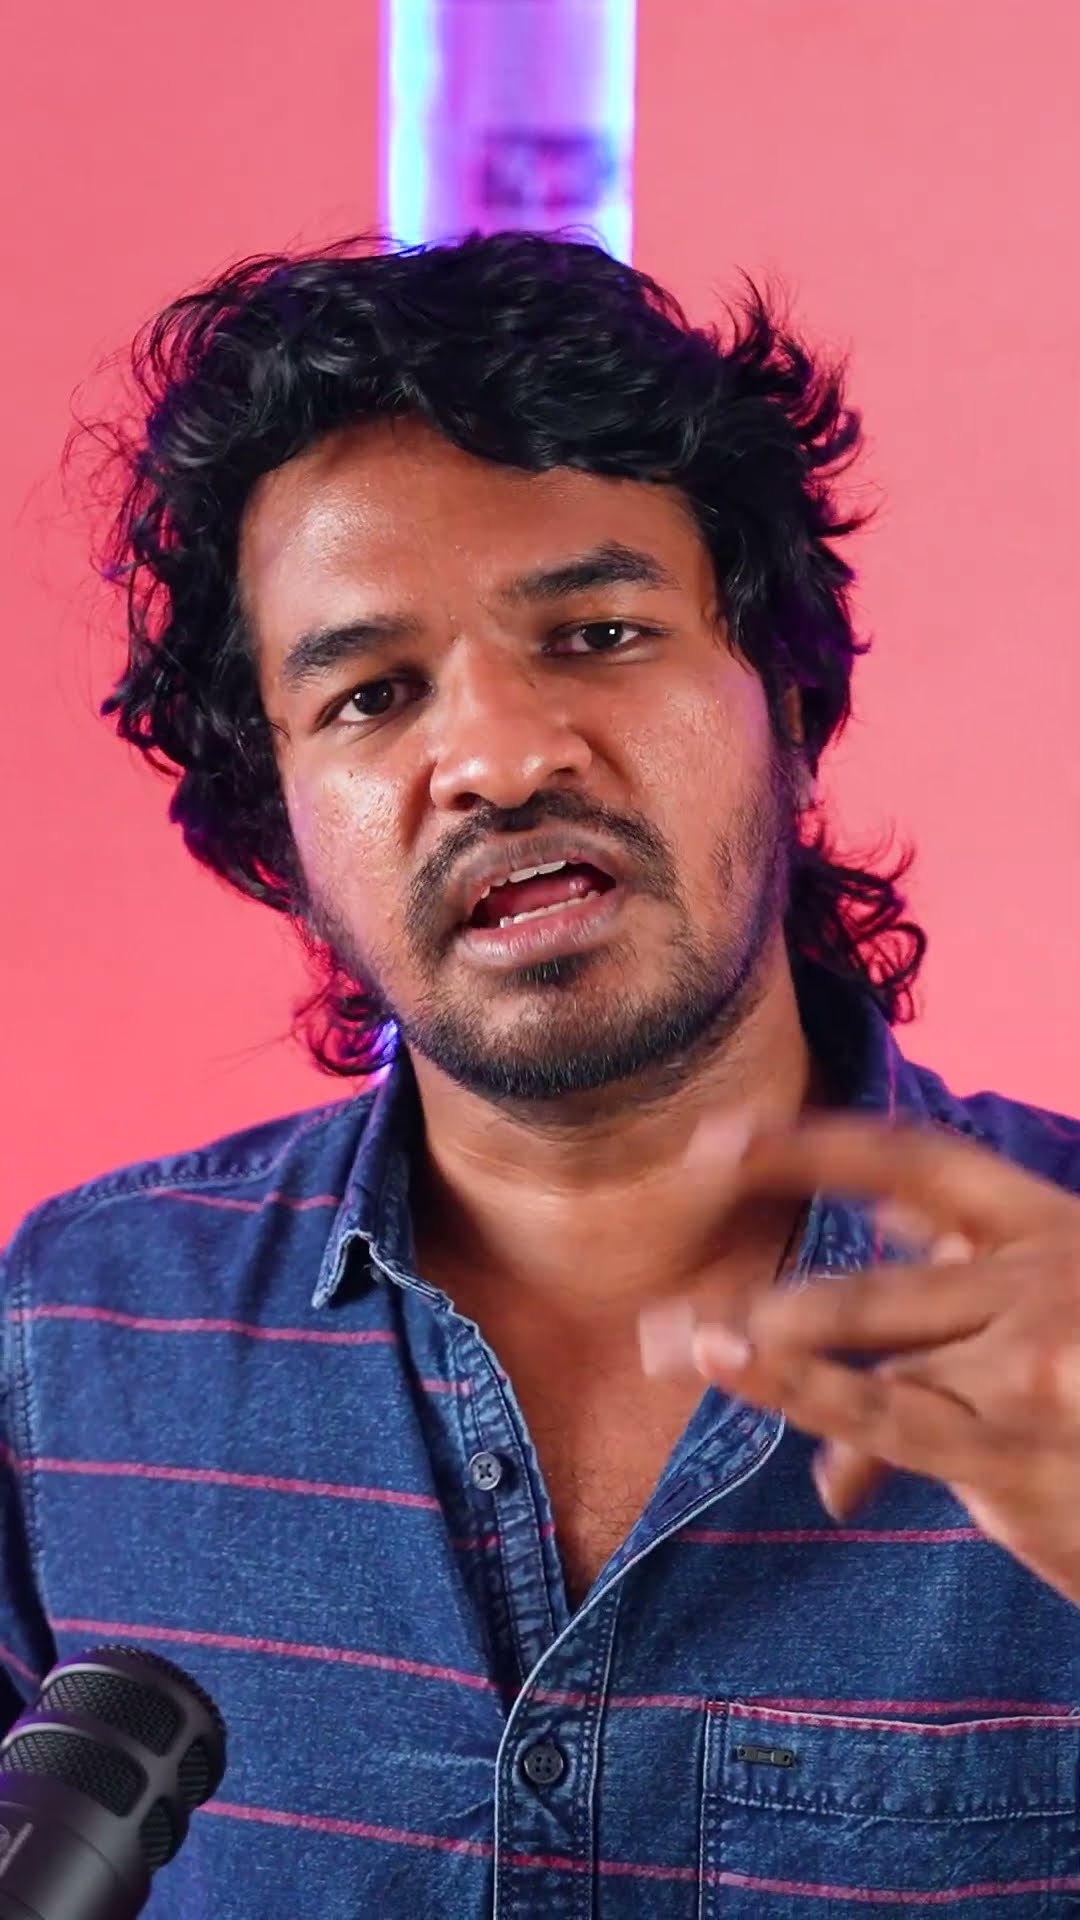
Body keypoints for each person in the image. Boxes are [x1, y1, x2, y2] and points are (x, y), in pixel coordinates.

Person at [3, 231, 1079, 1917]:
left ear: (789, 696)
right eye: (372, 695)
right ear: (278, 825)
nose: (498, 759)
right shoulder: (75, 1335)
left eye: (596, 633)